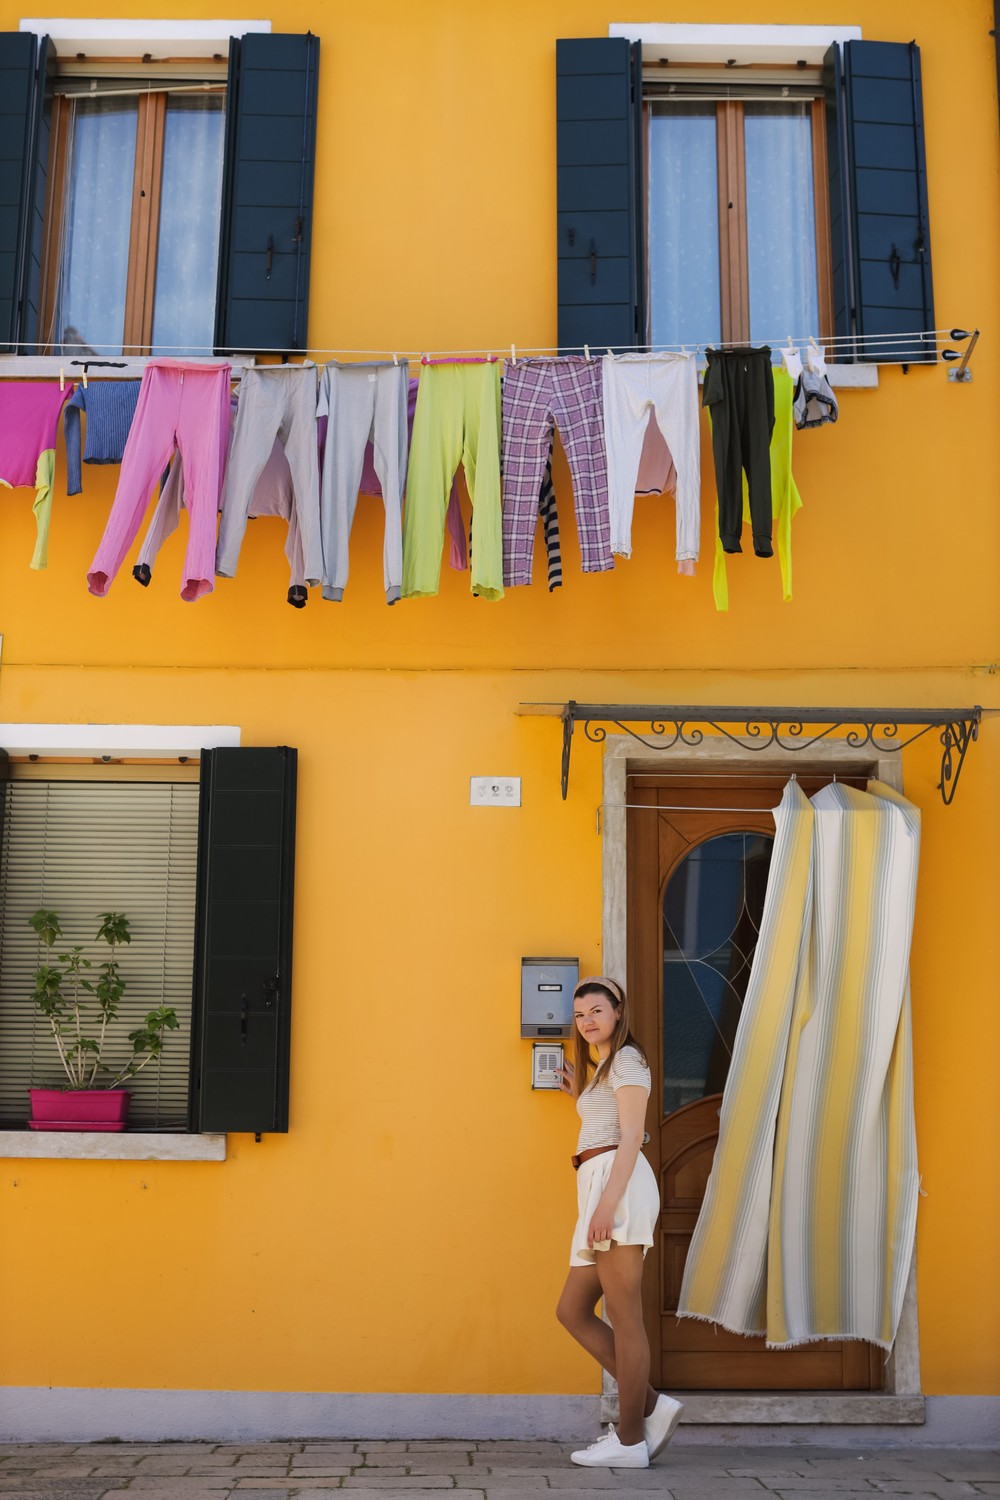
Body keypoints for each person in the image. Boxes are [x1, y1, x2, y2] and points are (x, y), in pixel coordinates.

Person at [555, 975, 683, 1468]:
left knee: (624, 1315)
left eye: (597, 1012)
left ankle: (630, 1440)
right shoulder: (606, 1065)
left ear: (617, 1012)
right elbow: (607, 1122)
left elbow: (631, 1136)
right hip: (601, 1181)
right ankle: (649, 1404)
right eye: (580, 1013)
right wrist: (579, 1095)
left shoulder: (628, 1059)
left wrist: (607, 1205)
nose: (587, 1021)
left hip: (617, 1186)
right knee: (572, 1310)